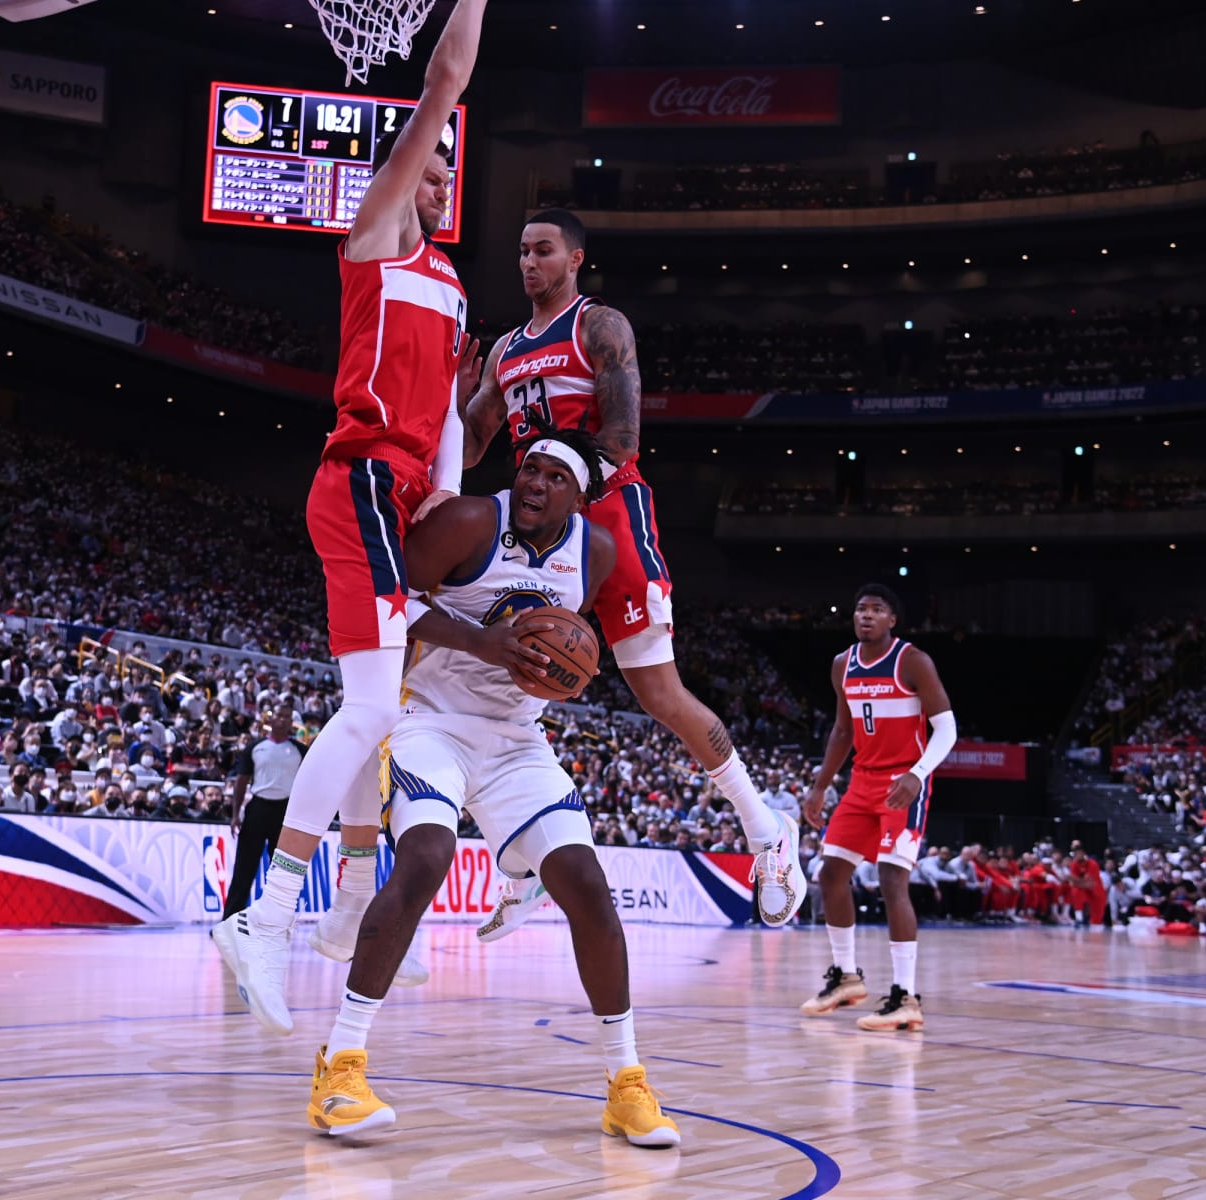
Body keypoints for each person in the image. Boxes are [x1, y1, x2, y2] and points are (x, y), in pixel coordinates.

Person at [213, 0, 488, 1037]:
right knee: (373, 710)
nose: (439, 174)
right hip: (361, 479)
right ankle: (269, 915)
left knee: (389, 710)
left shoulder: (453, 287)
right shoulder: (374, 236)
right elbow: (446, 80)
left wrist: (461, 519)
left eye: (446, 171)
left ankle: (336, 910)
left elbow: (453, 439)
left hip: (411, 498)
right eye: (427, 162)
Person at [306, 432, 679, 1148]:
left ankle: (626, 1084)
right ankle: (340, 1069)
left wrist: (555, 665)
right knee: (424, 860)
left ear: (578, 495)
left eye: (553, 477)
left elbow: (566, 636)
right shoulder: (471, 521)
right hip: (428, 721)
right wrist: (483, 642)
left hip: (516, 738)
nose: (535, 484)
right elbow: (384, 598)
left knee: (586, 884)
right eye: (528, 470)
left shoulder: (594, 552)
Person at [461, 208, 804, 938]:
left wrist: (561, 490)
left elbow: (622, 435)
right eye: (521, 250)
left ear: (575, 257)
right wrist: (446, 397)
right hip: (539, 522)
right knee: (517, 676)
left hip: (608, 512)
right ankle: (521, 867)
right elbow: (466, 450)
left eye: (543, 250)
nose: (529, 262)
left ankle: (767, 831)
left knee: (660, 693)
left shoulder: (599, 326)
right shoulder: (502, 352)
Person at [799, 584, 955, 1032]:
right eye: (860, 608)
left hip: (904, 780)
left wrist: (917, 774)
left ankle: (906, 997)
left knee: (891, 878)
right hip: (862, 783)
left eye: (876, 609)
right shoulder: (841, 665)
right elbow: (843, 731)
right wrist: (819, 786)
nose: (865, 615)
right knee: (830, 873)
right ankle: (846, 977)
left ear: (892, 620)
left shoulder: (913, 661)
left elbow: (947, 729)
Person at [222, 710, 307, 917]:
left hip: (286, 813)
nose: (284, 719)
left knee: (281, 871)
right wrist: (235, 814)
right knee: (244, 868)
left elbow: (308, 783)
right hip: (258, 809)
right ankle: (229, 920)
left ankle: (278, 920)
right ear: (270, 720)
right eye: (280, 716)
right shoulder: (255, 747)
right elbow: (241, 781)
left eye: (287, 717)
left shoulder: (299, 750)